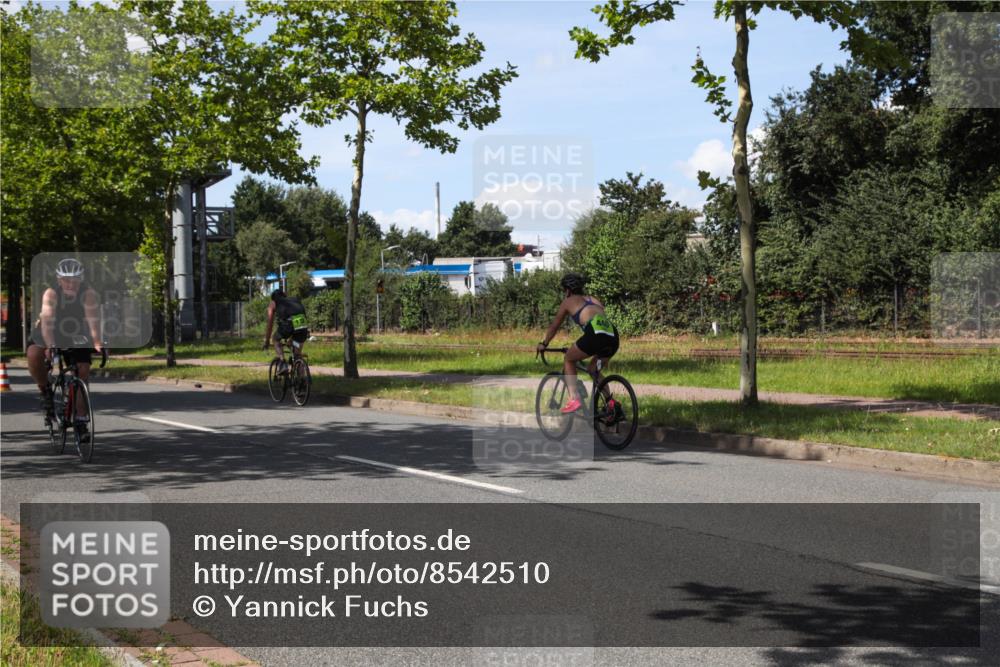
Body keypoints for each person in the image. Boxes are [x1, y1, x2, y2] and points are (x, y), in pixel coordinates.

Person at [26, 258, 103, 436]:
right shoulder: (51, 293)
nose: (70, 284)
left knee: (82, 370)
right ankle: (45, 389)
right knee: (33, 354)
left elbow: (93, 321)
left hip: (75, 332)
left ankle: (81, 420)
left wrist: (98, 343)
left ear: (81, 280)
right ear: (59, 280)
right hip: (49, 330)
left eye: (75, 281)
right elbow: (47, 322)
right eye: (66, 280)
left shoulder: (88, 294)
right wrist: (51, 346)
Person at [536, 273, 620, 413]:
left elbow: (554, 326)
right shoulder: (594, 300)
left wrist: (544, 343)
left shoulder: (568, 301)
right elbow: (596, 321)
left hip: (594, 335)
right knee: (593, 370)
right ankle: (610, 402)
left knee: (569, 359)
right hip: (613, 336)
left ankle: (574, 399)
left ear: (568, 290)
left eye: (564, 290)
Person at [263, 289, 309, 374]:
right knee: (297, 354)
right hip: (302, 323)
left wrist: (266, 342)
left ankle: (282, 362)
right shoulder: (294, 300)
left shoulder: (274, 302)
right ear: (284, 295)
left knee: (275, 339)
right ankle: (303, 381)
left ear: (273, 298)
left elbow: (270, 324)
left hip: (289, 323)